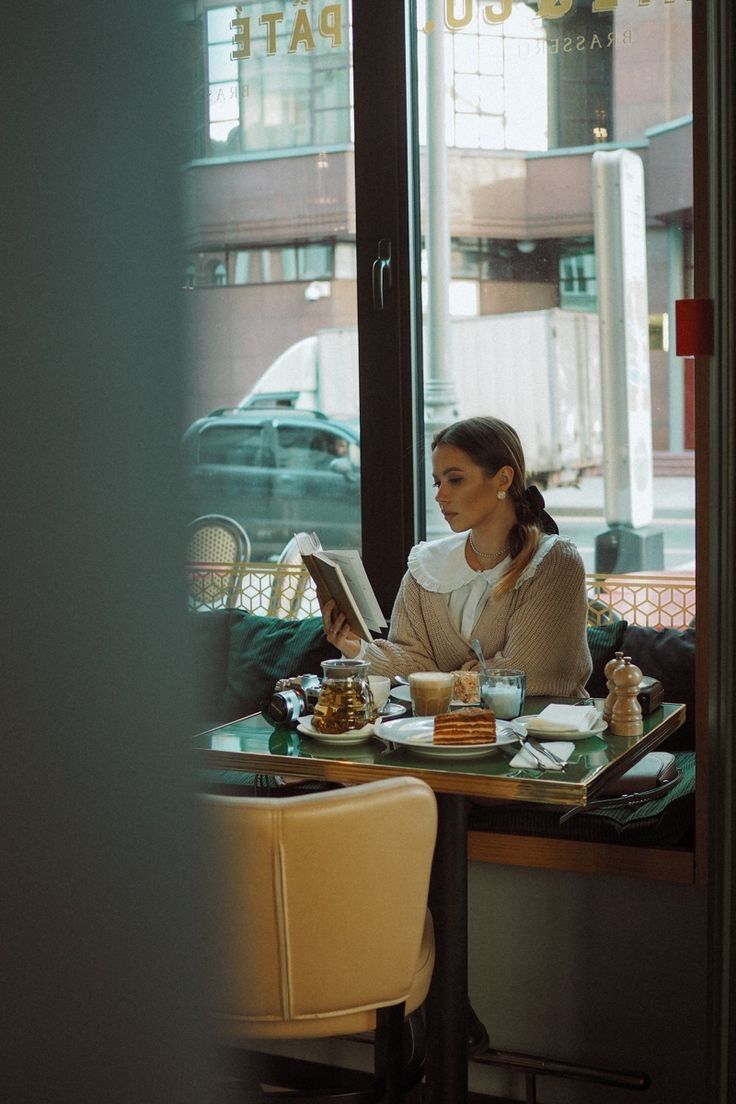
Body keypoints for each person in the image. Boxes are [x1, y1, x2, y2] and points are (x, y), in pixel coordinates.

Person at [320, 415, 592, 697]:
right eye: (438, 483)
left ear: (503, 478)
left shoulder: (554, 562)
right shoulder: (426, 566)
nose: (441, 495)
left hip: (539, 737)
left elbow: (526, 675)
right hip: (438, 736)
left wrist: (439, 678)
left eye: (456, 480)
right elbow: (412, 665)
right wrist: (356, 647)